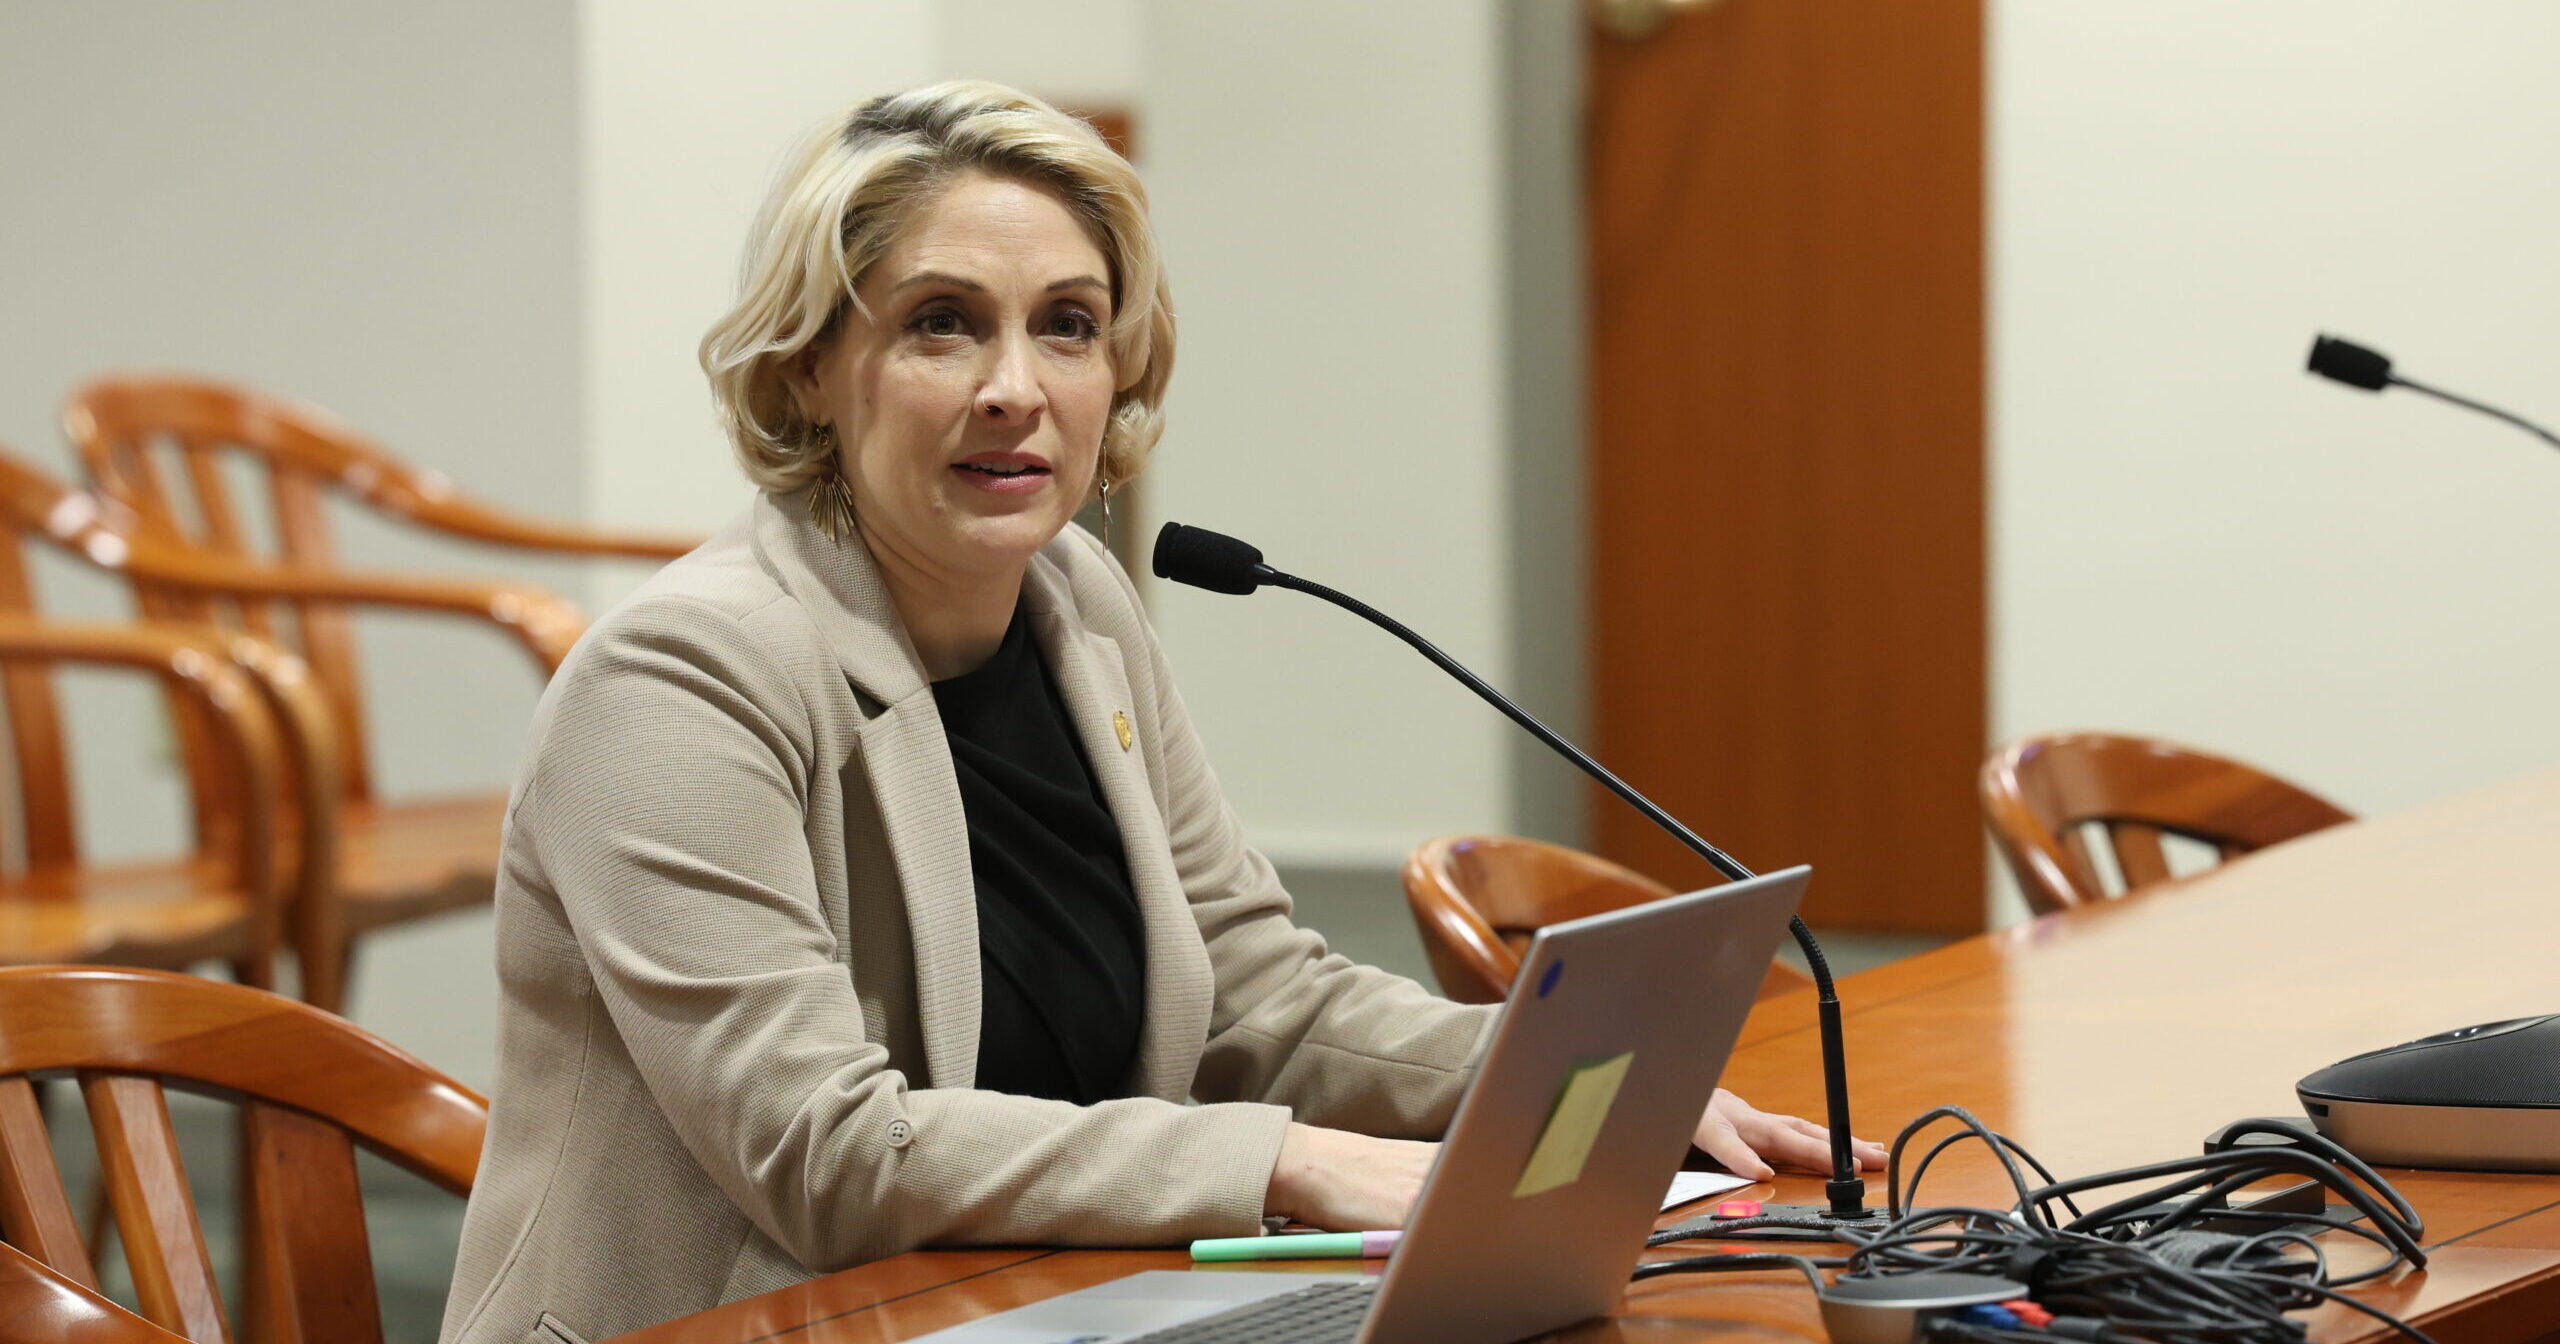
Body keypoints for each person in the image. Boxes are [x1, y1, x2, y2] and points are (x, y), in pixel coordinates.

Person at [439, 80, 1882, 1344]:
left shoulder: (1076, 605)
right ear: (812, 368)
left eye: (1068, 327)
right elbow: (825, 1153)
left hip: (1028, 1297)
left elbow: (1254, 992)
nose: (1019, 389)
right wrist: (1286, 1165)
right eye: (943, 326)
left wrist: (1569, 1083)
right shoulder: (680, 680)